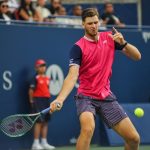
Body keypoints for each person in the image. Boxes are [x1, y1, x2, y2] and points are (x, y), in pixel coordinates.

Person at [50, 8, 141, 150]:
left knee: (134, 139)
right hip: (86, 97)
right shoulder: (78, 47)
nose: (93, 26)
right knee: (87, 129)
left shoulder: (110, 38)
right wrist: (60, 99)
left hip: (106, 96)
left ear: (99, 22)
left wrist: (124, 43)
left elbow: (137, 56)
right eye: (90, 23)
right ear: (83, 25)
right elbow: (72, 75)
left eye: (96, 22)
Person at [29, 59, 55, 150]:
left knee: (45, 122)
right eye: (41, 66)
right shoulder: (34, 78)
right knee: (39, 122)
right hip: (37, 101)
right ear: (36, 68)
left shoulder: (47, 78)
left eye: (44, 65)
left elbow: (47, 90)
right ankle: (35, 144)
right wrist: (32, 102)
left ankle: (44, 142)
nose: (43, 67)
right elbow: (31, 90)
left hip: (46, 101)